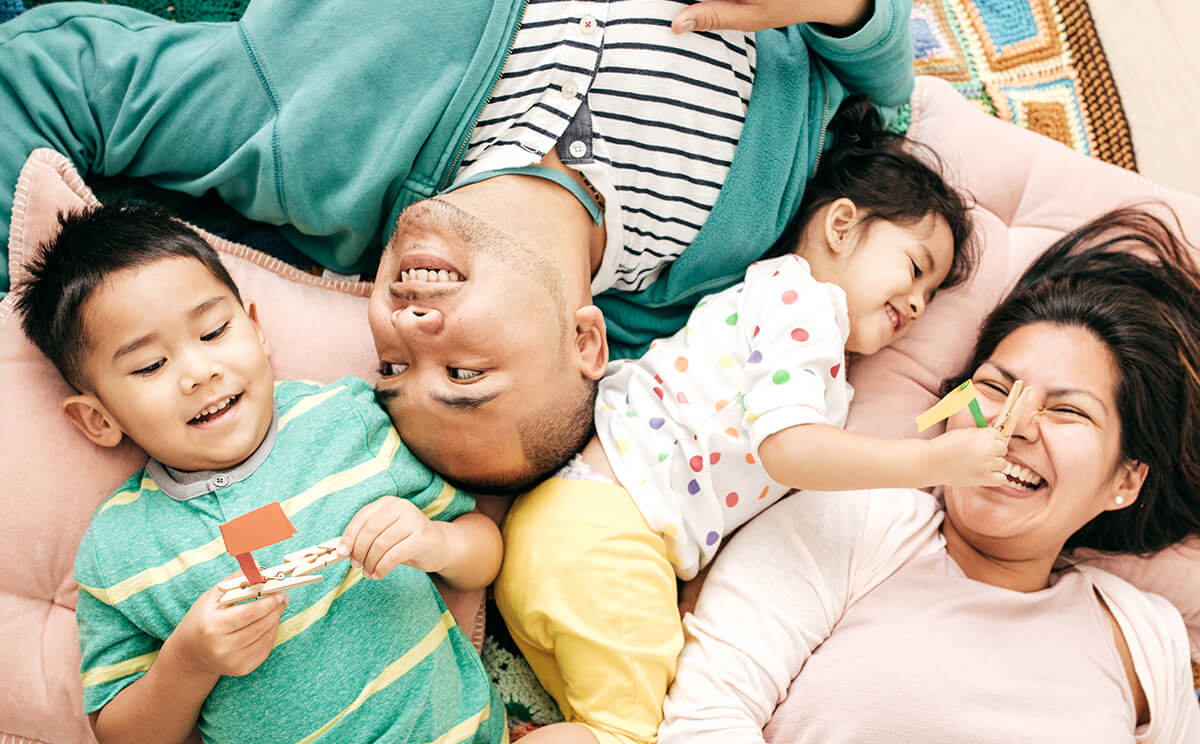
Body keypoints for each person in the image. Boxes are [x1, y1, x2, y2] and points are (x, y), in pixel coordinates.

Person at [345, 106, 983, 744]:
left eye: (931, 295)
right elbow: (789, 452)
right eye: (915, 268)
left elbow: (744, 496)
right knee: (626, 739)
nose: (918, 306)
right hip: (609, 532)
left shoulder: (801, 347)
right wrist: (931, 459)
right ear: (843, 225)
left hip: (583, 529)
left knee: (606, 737)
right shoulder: (800, 309)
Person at [0, 0, 915, 491]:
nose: (406, 332)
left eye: (390, 370)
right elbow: (885, 96)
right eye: (465, 375)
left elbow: (40, 85)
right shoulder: (722, 261)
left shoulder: (307, 146)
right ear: (589, 342)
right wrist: (843, 8)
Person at [649, 207, 1200, 744]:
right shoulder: (853, 522)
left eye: (1068, 412)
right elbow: (700, 737)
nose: (1013, 426)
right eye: (997, 388)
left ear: (1125, 481)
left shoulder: (1143, 638)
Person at [13, 204, 517, 744]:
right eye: (152, 365)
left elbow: (485, 553)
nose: (198, 371)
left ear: (257, 328)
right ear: (99, 419)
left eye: (214, 331)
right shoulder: (122, 549)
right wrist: (188, 661)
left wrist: (434, 540)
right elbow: (127, 742)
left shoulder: (349, 424)